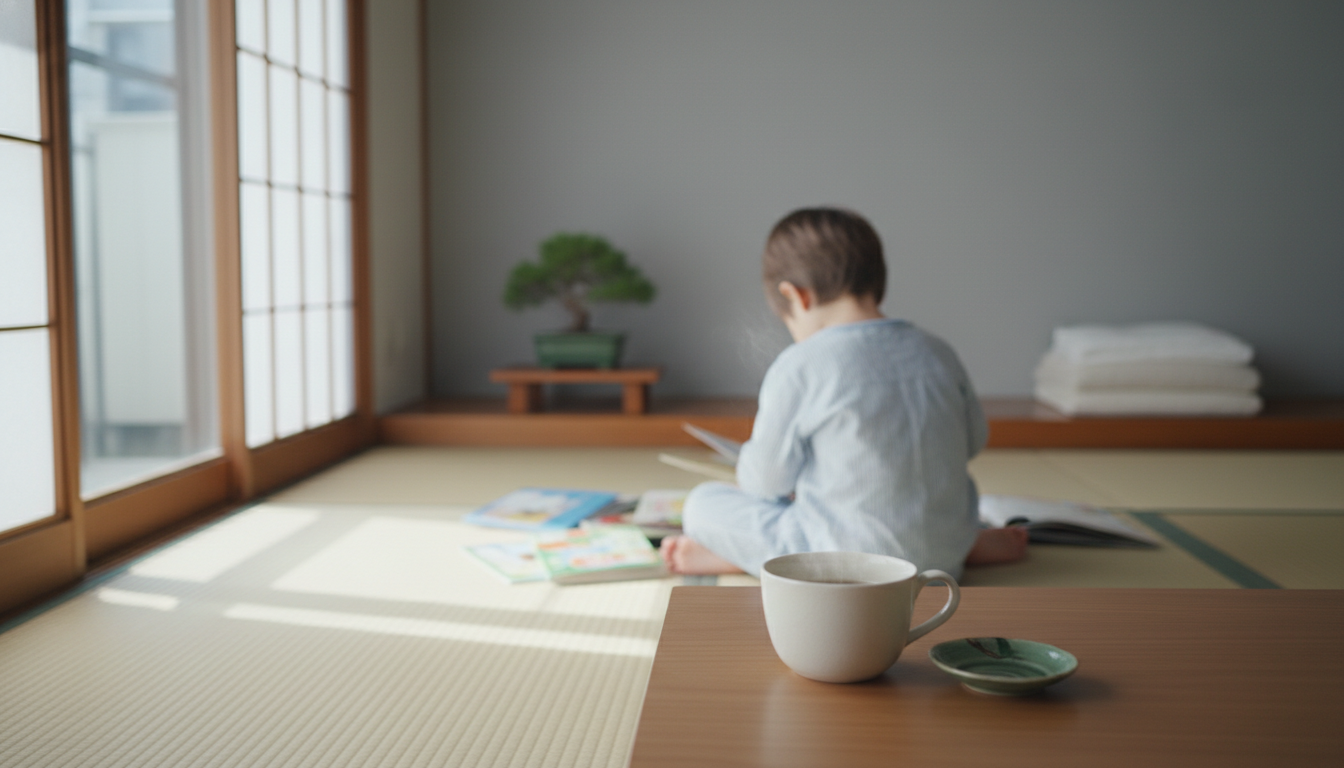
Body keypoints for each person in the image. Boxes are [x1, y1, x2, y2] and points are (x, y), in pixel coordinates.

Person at [660, 207, 1028, 576]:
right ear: (877, 280)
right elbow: (974, 441)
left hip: (846, 563)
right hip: (945, 549)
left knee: (703, 503)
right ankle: (963, 546)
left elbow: (764, 483)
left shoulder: (801, 364)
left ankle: (737, 559)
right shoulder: (938, 352)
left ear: (796, 296)